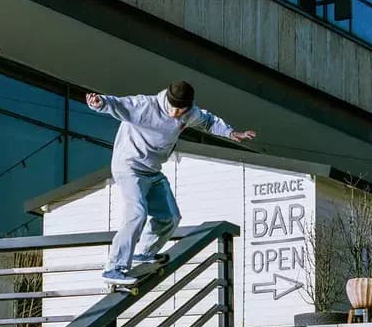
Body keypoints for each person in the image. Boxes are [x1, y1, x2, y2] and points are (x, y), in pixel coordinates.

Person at [86, 81, 256, 285]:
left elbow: (209, 122)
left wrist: (230, 133)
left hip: (152, 171)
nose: (176, 113)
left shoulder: (190, 113)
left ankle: (145, 252)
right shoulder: (146, 106)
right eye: (173, 107)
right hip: (129, 167)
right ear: (167, 99)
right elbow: (118, 104)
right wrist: (99, 102)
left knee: (170, 217)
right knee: (137, 213)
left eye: (181, 109)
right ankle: (114, 267)